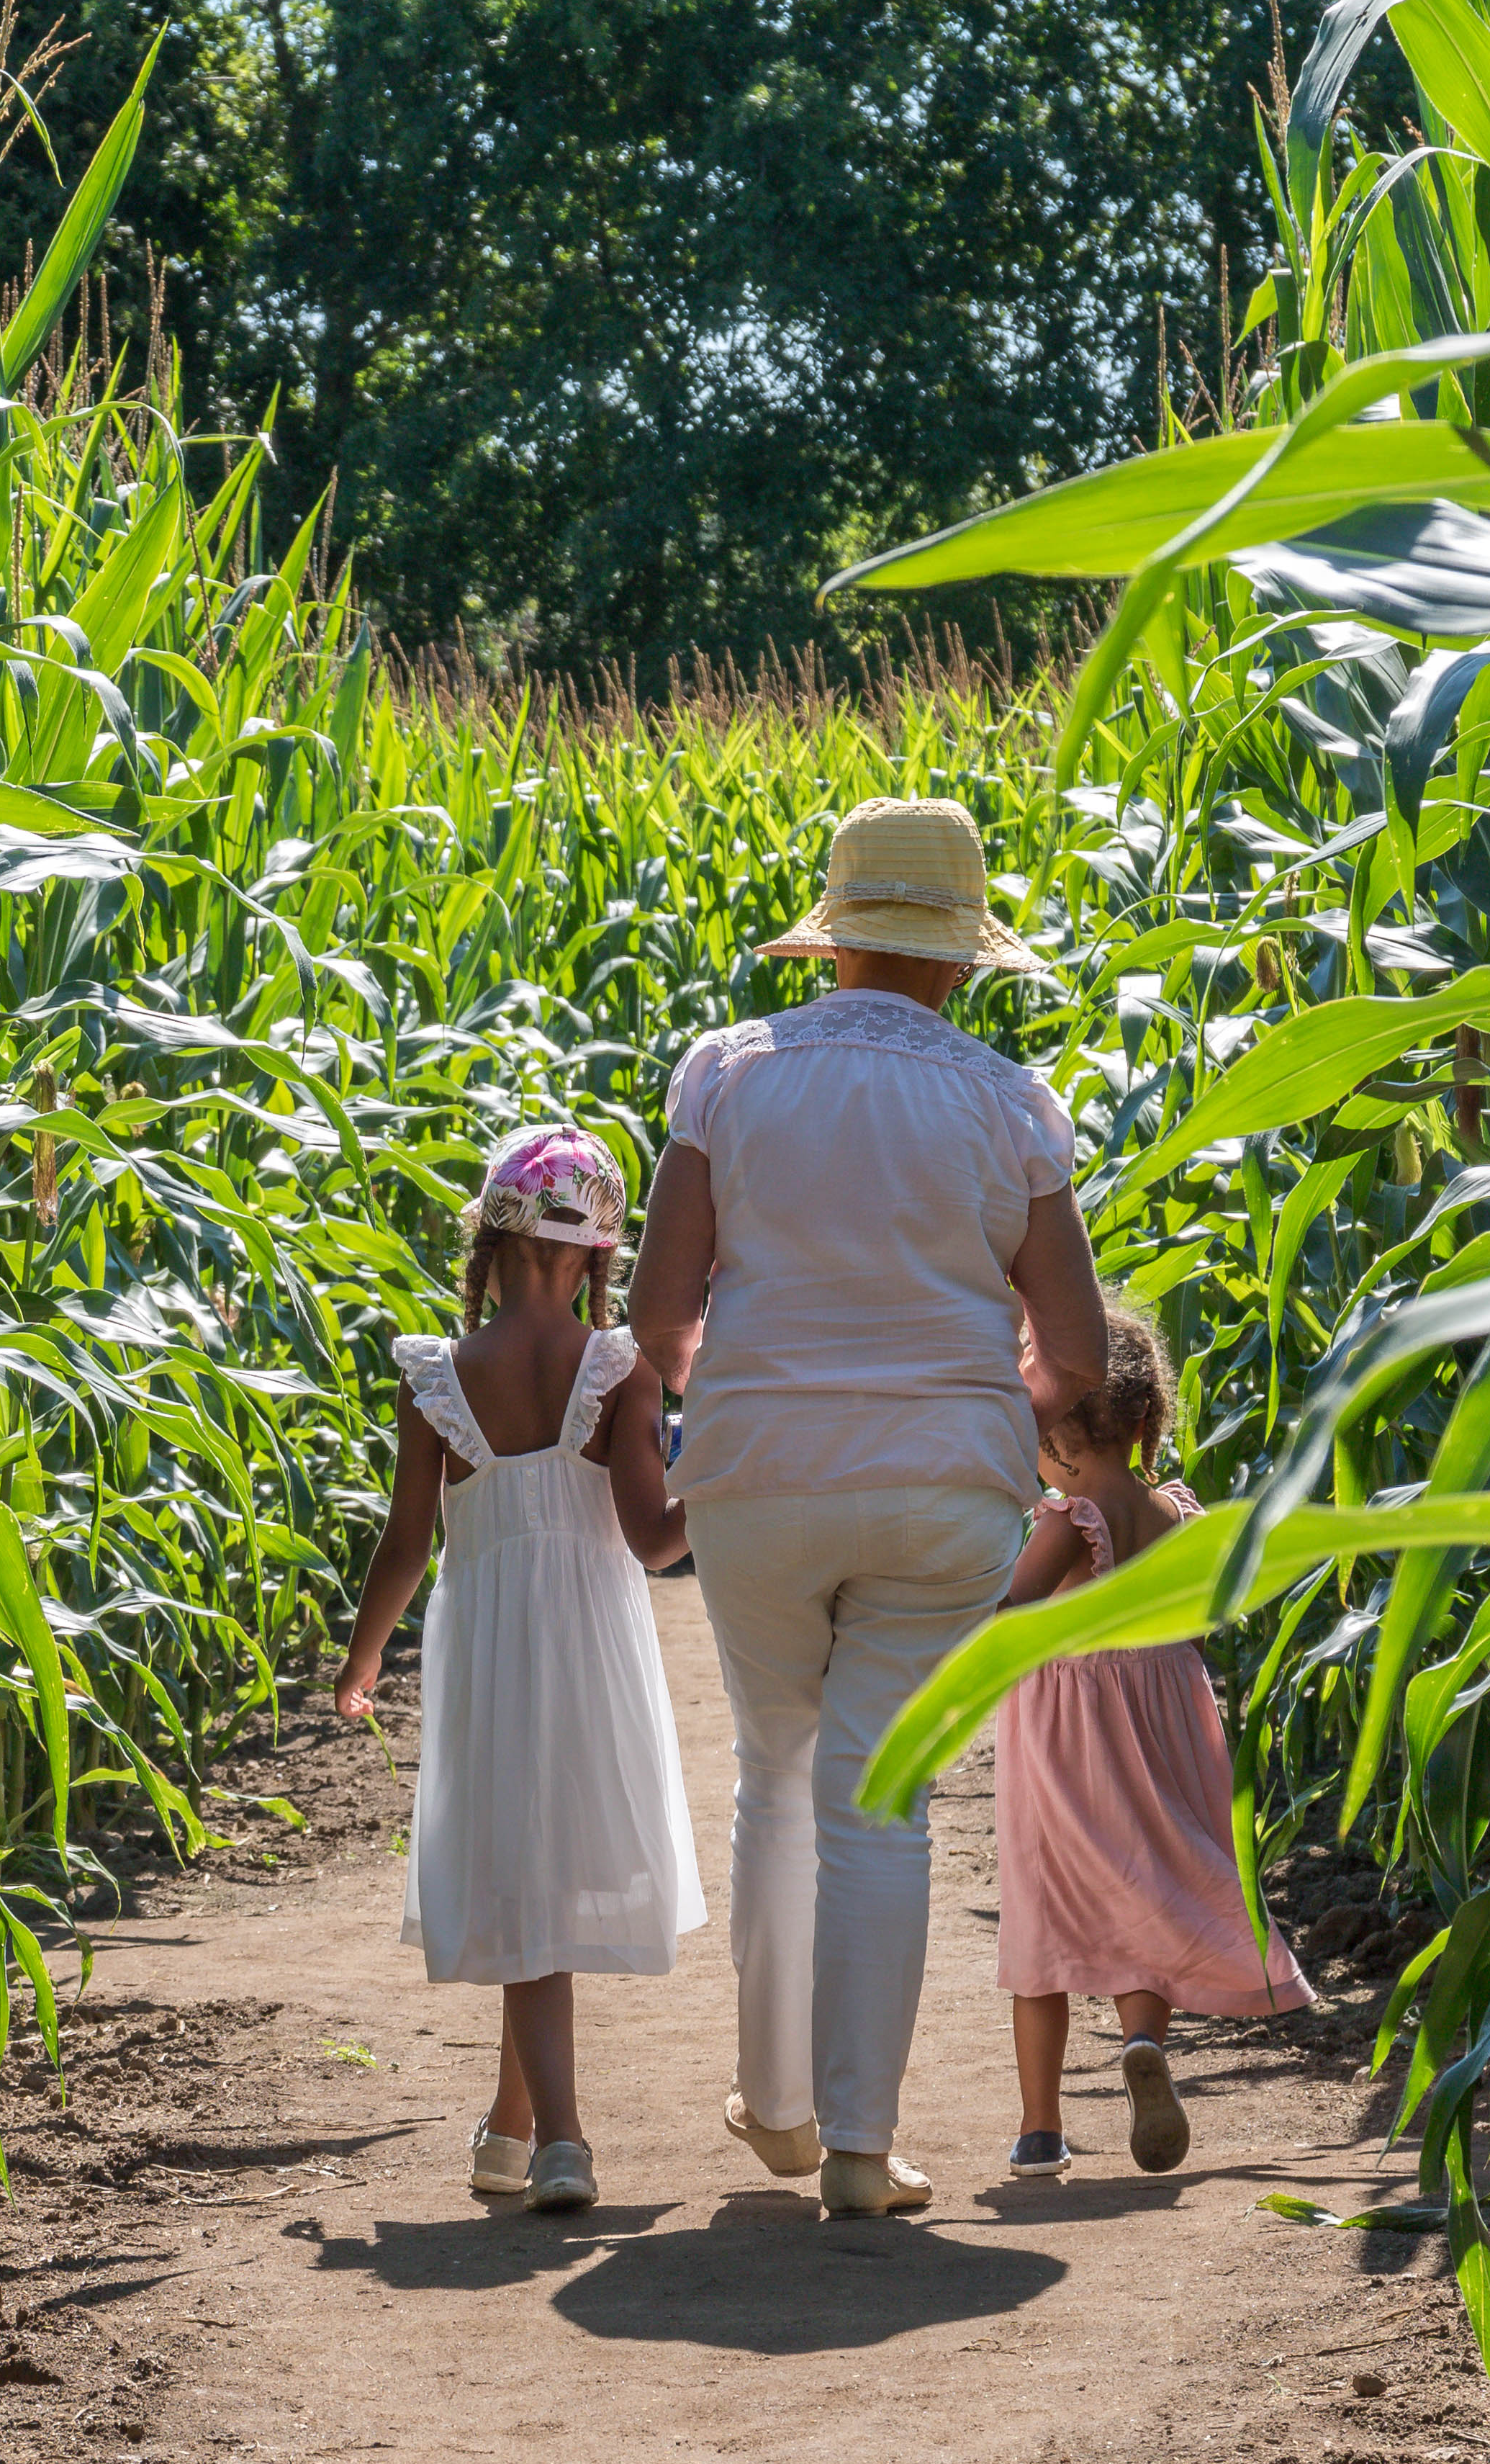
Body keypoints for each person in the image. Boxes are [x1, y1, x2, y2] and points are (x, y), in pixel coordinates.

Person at [627, 797, 1107, 2219]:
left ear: (833, 938)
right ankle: (858, 2142)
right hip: (945, 1484)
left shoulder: (730, 1073)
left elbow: (659, 1312)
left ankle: (774, 2105)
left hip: (758, 1476)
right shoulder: (1009, 1102)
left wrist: (750, 1392)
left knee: (775, 1771)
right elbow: (1077, 1353)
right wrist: (984, 1416)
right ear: (959, 956)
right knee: (878, 1800)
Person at [335, 1126, 705, 2215]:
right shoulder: (621, 1370)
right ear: (598, 1256)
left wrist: (363, 1657)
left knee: (523, 1883)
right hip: (594, 1649)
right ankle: (512, 2129)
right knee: (541, 1887)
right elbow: (656, 1542)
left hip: (491, 1649)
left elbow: (407, 1544)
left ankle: (562, 2144)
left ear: (489, 1249)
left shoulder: (439, 1377)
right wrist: (729, 1474)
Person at [993, 1293, 1304, 2175]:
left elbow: (1012, 1616)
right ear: (1144, 1421)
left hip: (1066, 1734)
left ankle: (1040, 2128)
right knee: (1143, 1892)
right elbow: (1198, 1627)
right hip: (1165, 1710)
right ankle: (1143, 2046)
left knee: (1045, 1917)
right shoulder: (1175, 1515)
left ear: (1059, 1432)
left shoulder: (1069, 1521)